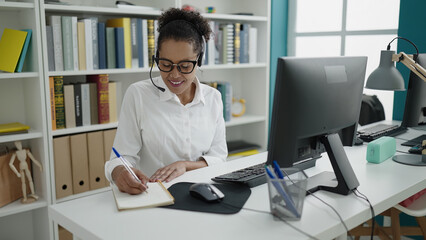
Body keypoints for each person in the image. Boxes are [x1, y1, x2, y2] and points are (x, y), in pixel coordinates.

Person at [105, 8, 228, 195]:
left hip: (203, 193)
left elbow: (219, 158)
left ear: (199, 60)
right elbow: (120, 158)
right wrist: (119, 171)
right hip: (153, 195)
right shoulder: (138, 94)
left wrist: (184, 166)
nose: (175, 74)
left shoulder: (213, 98)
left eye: (185, 66)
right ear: (156, 59)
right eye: (165, 64)